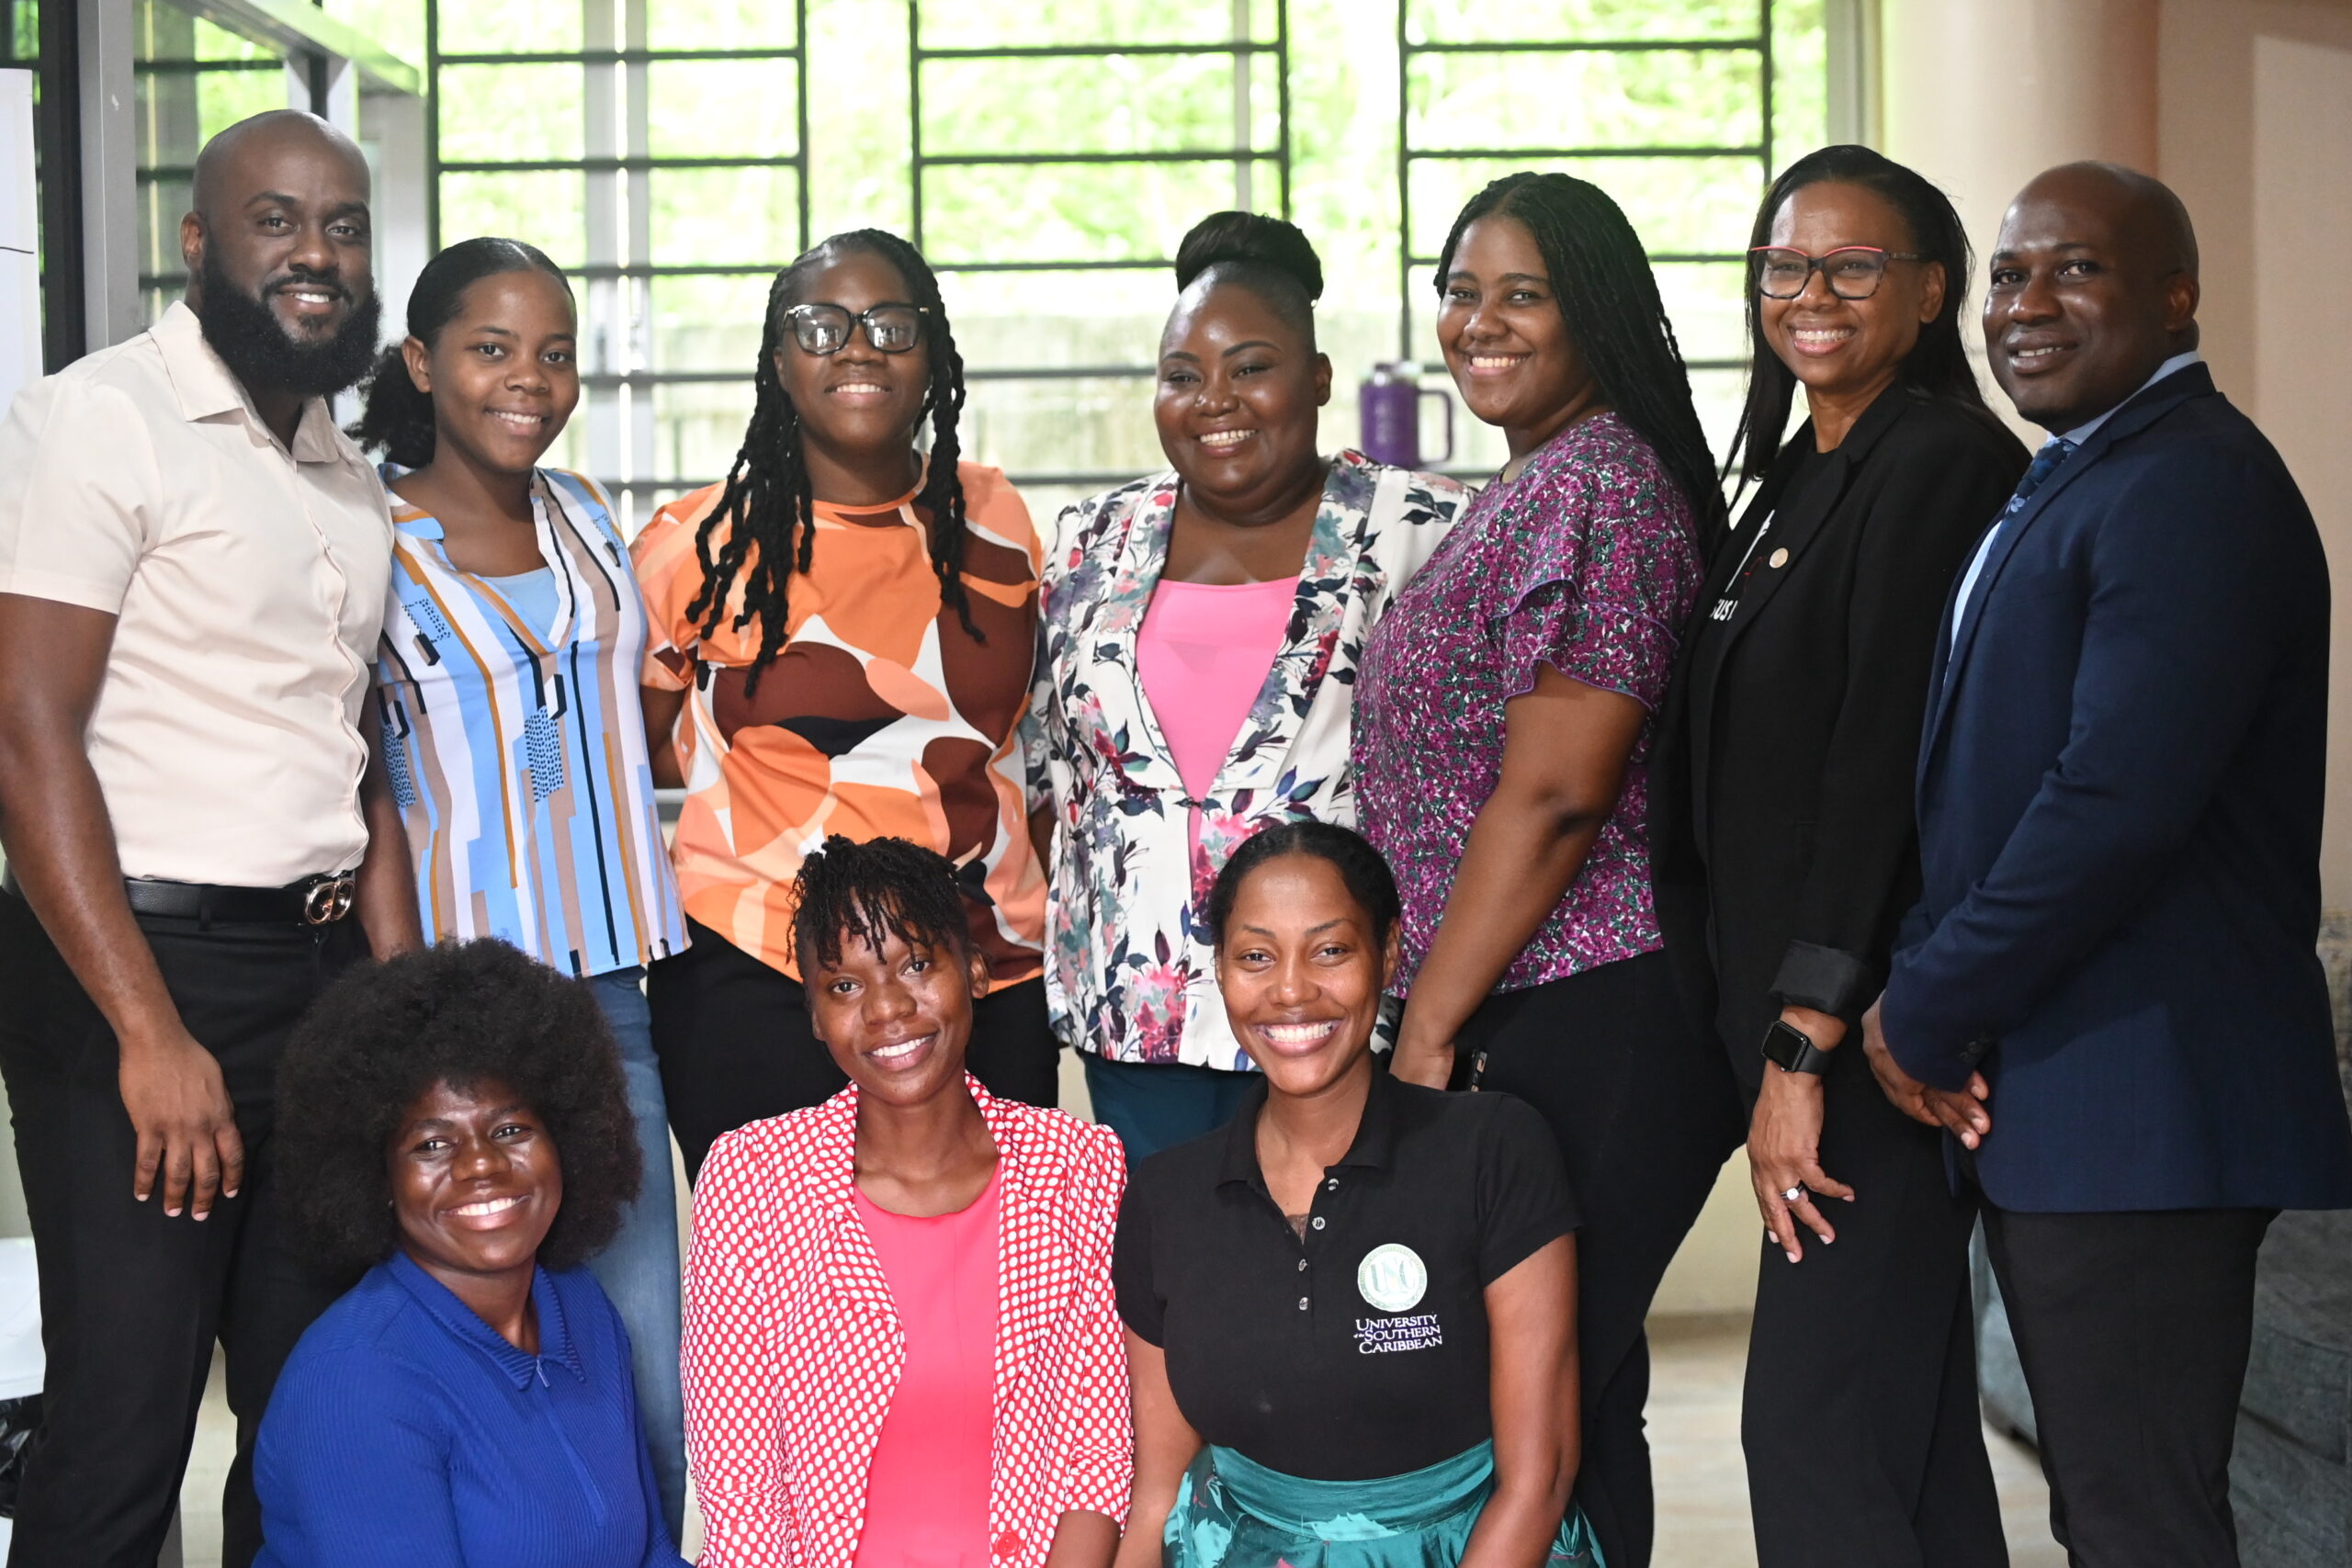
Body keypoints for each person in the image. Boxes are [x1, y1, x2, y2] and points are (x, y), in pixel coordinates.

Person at [1866, 162, 2352, 1567]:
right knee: (2111, 1506)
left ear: (2178, 295)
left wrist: (1925, 1002)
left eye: (2073, 270)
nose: (2026, 304)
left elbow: (2113, 804)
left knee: (2142, 1519)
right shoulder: (2088, 475)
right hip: (2075, 1095)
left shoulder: (2190, 484)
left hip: (2146, 1097)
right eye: (2011, 275)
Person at [0, 110, 419, 1568]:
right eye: (276, 218)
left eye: (345, 225)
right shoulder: (99, 416)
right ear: (198, 242)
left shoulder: (332, 456)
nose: (316, 251)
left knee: (308, 1416)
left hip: (313, 984)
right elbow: (25, 732)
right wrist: (146, 1028)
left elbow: (347, 742)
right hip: (137, 966)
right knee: (126, 1422)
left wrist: (391, 989)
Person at [1350, 170, 1747, 1568]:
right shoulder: (1536, 480)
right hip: (1529, 1002)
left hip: (1596, 1007)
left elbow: (1561, 791)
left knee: (1529, 1395)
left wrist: (1427, 1030)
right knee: (1579, 1393)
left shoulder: (1612, 488)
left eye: (1522, 292)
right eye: (1461, 291)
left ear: (1599, 313)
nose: (1479, 321)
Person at [1645, 146, 2027, 1568]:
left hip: (1867, 1040)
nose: (1811, 294)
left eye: (1853, 267)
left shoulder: (1935, 461)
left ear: (1930, 294)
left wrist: (1803, 1039)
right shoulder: (1807, 469)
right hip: (1809, 1028)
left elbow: (1882, 767)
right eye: (1785, 266)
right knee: (1904, 1442)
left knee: (1812, 1435)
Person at [347, 235, 693, 1532]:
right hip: (463, 1010)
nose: (528, 381)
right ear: (423, 362)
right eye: (493, 350)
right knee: (477, 1367)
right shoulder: (362, 533)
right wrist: (403, 1008)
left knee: (649, 1372)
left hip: (611, 1002)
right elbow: (366, 783)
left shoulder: (593, 516)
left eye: (554, 354)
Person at [1036, 211, 1466, 1162]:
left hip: (1335, 1001)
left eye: (1250, 367)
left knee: (1338, 1277)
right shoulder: (1092, 541)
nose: (1214, 399)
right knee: (1183, 1283)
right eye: (1182, 376)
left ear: (1316, 378)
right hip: (1137, 1010)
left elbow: (1473, 779)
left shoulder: (1423, 528)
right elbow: (1054, 774)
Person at [634, 229, 1057, 1181]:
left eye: (889, 324)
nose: (857, 346)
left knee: (998, 1284)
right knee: (789, 1293)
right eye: (819, 327)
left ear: (935, 355)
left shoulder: (1001, 520)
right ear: (778, 362)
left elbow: (1033, 734)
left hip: (984, 962)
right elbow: (634, 743)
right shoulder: (697, 542)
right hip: (764, 969)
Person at [1115, 822, 1592, 1567]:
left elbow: (1540, 1479)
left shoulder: (1492, 1148)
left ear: (1390, 952)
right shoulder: (1166, 1196)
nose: (1292, 990)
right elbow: (1155, 1497)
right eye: (1256, 957)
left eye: (1330, 949)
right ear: (1221, 971)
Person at [681, 836, 1130, 1568]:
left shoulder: (1077, 1167)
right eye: (845, 986)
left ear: (976, 971)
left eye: (917, 964)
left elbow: (1098, 1454)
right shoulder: (751, 1180)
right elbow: (742, 1499)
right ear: (815, 1015)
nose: (888, 1007)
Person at [254, 939, 685, 1568]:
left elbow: (648, 1552)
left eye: (510, 1129)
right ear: (375, 1175)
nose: (481, 1163)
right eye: (432, 1144)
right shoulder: (354, 1384)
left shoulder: (580, 1302)